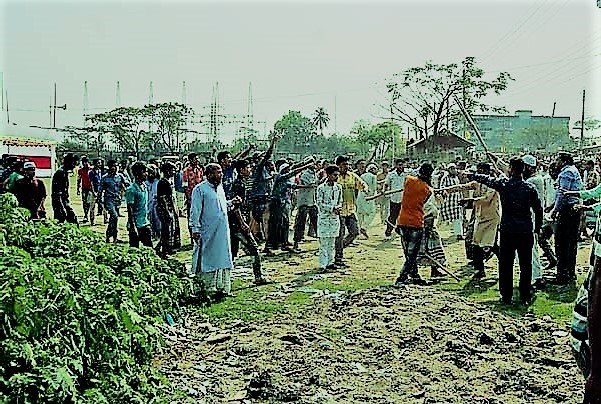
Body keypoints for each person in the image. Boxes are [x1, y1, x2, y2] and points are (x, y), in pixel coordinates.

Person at [468, 157, 543, 304]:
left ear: (510, 169)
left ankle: (506, 296)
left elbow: (487, 179)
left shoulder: (504, 184)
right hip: (525, 230)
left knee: (506, 265)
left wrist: (472, 175)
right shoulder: (529, 188)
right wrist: (537, 228)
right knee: (525, 265)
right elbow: (538, 210)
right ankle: (525, 295)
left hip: (508, 230)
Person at [438, 162, 500, 278]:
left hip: (491, 219)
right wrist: (445, 189)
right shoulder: (477, 183)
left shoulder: (493, 184)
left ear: (486, 171)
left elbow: (486, 199)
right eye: (478, 171)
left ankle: (505, 264)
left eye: (480, 171)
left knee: (492, 245)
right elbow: (462, 187)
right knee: (476, 244)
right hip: (480, 218)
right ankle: (480, 270)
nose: (478, 173)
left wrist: (470, 201)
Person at [189, 163, 239, 298]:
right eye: (217, 172)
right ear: (209, 174)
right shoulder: (200, 189)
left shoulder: (220, 189)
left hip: (222, 232)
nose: (220, 175)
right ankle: (205, 289)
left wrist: (232, 202)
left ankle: (222, 288)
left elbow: (220, 206)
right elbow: (195, 211)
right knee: (207, 259)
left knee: (222, 258)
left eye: (221, 172)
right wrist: (195, 229)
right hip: (207, 232)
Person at [229, 159, 271, 285]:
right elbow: (236, 206)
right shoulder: (239, 185)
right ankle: (258, 277)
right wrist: (242, 223)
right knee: (254, 249)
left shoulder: (243, 183)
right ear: (241, 170)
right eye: (247, 168)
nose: (250, 170)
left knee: (231, 252)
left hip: (237, 222)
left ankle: (222, 279)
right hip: (237, 223)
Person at [394, 163, 434, 286]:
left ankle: (415, 276)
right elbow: (424, 201)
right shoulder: (428, 190)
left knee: (408, 253)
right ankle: (401, 277)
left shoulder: (408, 180)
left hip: (402, 221)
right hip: (416, 223)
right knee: (412, 255)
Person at [264, 159, 314, 255]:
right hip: (276, 203)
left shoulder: (285, 181)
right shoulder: (279, 177)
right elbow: (293, 173)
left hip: (283, 203)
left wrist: (306, 187)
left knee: (285, 223)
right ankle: (269, 246)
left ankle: (284, 243)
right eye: (286, 169)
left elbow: (294, 186)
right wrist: (305, 165)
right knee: (275, 225)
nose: (288, 170)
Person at [551, 152, 583, 285]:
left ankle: (562, 274)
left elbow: (562, 194)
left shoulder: (566, 173)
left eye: (557, 159)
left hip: (567, 210)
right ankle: (570, 272)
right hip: (574, 210)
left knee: (561, 243)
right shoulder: (573, 170)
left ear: (563, 161)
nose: (556, 162)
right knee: (571, 242)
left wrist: (554, 210)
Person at [334, 155, 368, 267]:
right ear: (338, 166)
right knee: (340, 234)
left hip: (351, 209)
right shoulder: (334, 177)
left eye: (348, 164)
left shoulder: (352, 176)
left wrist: (365, 188)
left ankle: (338, 248)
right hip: (339, 211)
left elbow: (362, 184)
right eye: (344, 164)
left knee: (354, 232)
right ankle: (338, 258)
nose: (347, 166)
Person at [249, 135, 279, 241]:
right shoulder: (258, 167)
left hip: (261, 196)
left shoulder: (262, 170)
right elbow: (268, 154)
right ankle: (266, 244)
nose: (264, 158)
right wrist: (273, 142)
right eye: (261, 157)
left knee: (258, 221)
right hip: (259, 197)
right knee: (264, 220)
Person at [316, 165, 343, 271]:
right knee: (324, 242)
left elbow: (340, 200)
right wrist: (332, 208)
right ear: (328, 175)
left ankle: (330, 262)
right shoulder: (321, 188)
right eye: (334, 175)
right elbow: (319, 203)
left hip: (334, 218)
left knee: (332, 242)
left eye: (337, 175)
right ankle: (322, 264)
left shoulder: (338, 187)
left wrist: (338, 208)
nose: (336, 177)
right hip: (324, 217)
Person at [293, 157, 318, 251]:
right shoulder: (304, 174)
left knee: (316, 222)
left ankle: (322, 242)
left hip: (312, 201)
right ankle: (296, 243)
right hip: (304, 202)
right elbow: (311, 184)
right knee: (300, 223)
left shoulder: (314, 173)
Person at [156, 162, 181, 257]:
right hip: (165, 209)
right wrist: (167, 211)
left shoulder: (169, 181)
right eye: (172, 170)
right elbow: (162, 198)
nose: (174, 172)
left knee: (172, 228)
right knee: (167, 229)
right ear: (167, 171)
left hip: (170, 208)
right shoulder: (163, 182)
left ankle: (166, 248)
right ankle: (165, 249)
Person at [99, 160, 127, 243]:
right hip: (109, 200)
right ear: (109, 167)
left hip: (117, 200)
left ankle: (111, 235)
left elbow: (126, 183)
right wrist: (99, 200)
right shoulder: (105, 178)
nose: (115, 168)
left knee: (113, 219)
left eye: (116, 166)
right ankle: (112, 235)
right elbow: (100, 190)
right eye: (113, 166)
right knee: (114, 216)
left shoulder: (120, 176)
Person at [125, 162, 152, 248]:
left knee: (149, 248)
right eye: (144, 172)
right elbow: (130, 210)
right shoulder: (131, 190)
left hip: (144, 223)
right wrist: (133, 227)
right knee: (134, 250)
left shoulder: (144, 186)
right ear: (137, 174)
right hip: (136, 224)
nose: (146, 174)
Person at [51, 153, 79, 224]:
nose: (74, 166)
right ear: (69, 163)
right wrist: (62, 206)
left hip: (63, 201)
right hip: (59, 202)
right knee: (64, 221)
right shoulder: (61, 173)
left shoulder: (64, 172)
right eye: (74, 164)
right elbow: (58, 192)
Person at [439, 163, 464, 240]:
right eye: (452, 169)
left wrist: (462, 198)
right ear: (449, 170)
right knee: (442, 218)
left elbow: (459, 189)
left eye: (454, 168)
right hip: (448, 202)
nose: (454, 170)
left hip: (456, 201)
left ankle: (459, 234)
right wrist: (444, 192)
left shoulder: (456, 178)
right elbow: (442, 188)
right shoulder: (445, 178)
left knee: (458, 217)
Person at [384, 159, 406, 240]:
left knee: (403, 217)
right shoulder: (391, 174)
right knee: (392, 217)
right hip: (394, 199)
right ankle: (388, 232)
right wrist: (384, 191)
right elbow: (386, 183)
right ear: (396, 165)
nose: (401, 166)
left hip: (404, 200)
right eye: (399, 165)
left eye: (402, 164)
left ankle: (402, 232)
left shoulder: (407, 174)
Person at [183, 153, 204, 235]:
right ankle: (192, 235)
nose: (197, 160)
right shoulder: (186, 171)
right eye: (196, 158)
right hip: (191, 198)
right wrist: (189, 199)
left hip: (200, 197)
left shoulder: (200, 170)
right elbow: (185, 186)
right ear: (191, 160)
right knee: (192, 216)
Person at [356, 163, 378, 239]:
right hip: (369, 196)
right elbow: (374, 188)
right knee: (372, 212)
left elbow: (358, 186)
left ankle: (359, 232)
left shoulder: (362, 176)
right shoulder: (373, 176)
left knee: (360, 213)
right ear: (372, 169)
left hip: (360, 196)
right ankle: (364, 227)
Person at [77, 157, 94, 223]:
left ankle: (89, 215)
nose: (85, 163)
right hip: (84, 188)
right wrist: (77, 188)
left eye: (86, 162)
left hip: (90, 189)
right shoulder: (80, 170)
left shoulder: (91, 170)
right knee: (84, 202)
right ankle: (86, 215)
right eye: (84, 162)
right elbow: (78, 179)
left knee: (88, 202)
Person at [88, 159, 103, 226]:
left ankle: (105, 219)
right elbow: (91, 183)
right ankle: (92, 220)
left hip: (100, 191)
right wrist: (94, 191)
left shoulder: (101, 171)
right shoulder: (92, 172)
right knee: (92, 207)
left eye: (100, 163)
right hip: (94, 191)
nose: (99, 164)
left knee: (103, 205)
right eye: (98, 163)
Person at [376, 161, 391, 226]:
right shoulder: (379, 175)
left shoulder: (390, 174)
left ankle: (386, 219)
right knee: (382, 207)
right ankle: (382, 219)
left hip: (388, 193)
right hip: (381, 193)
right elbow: (376, 183)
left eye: (386, 166)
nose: (385, 167)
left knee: (387, 207)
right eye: (383, 166)